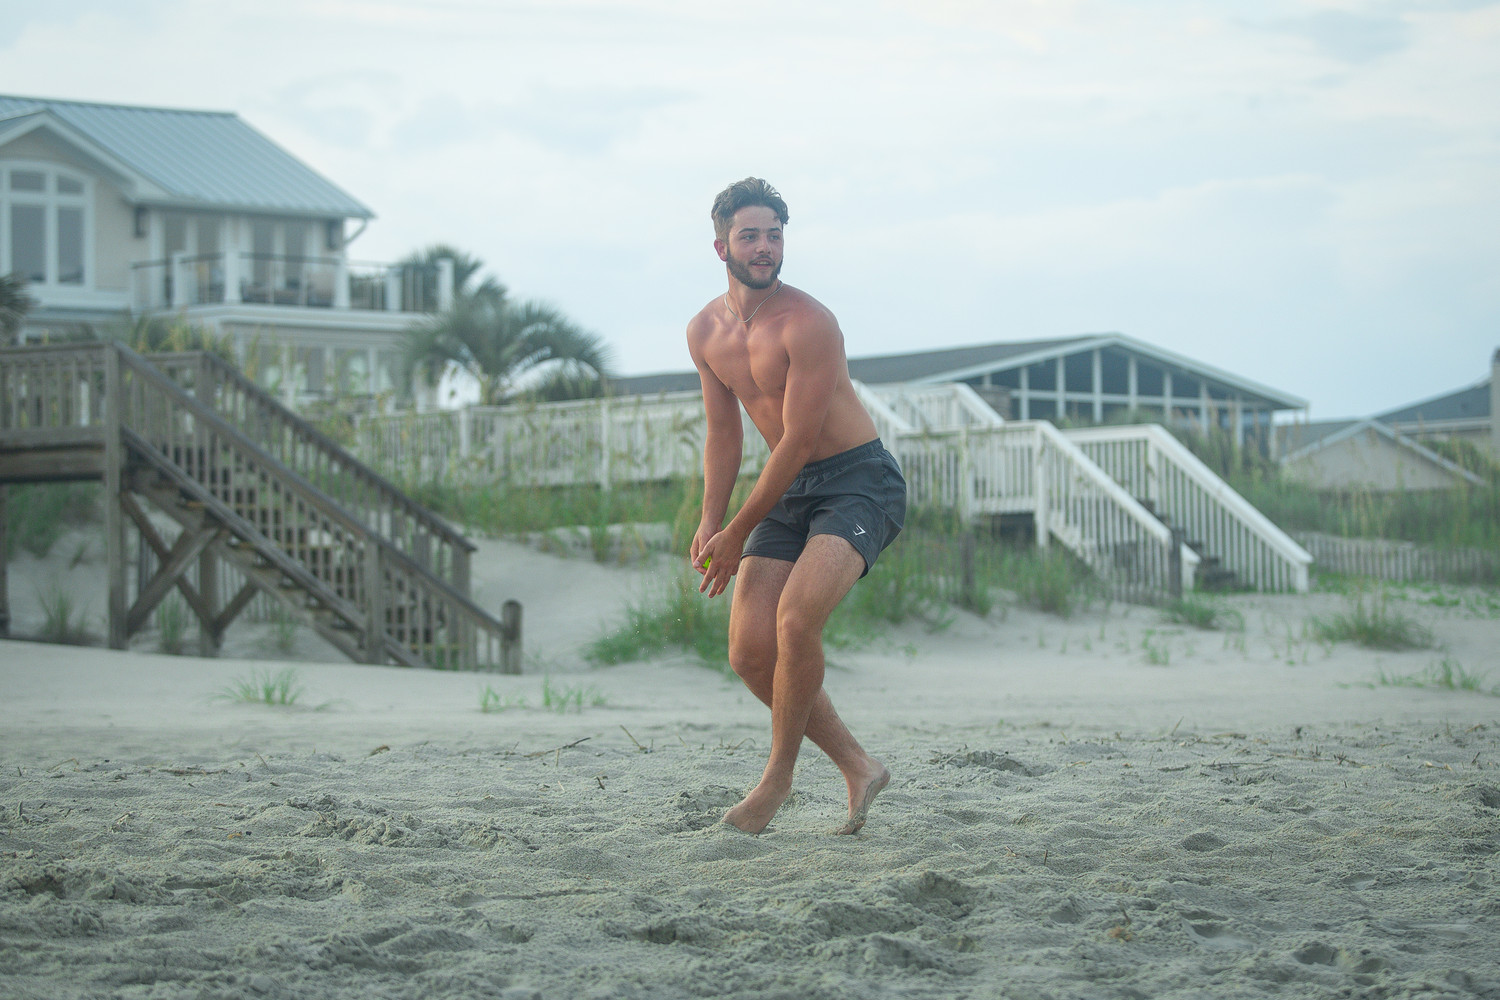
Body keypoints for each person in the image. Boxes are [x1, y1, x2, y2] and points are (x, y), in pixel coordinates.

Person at [687, 177, 907, 835]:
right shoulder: (705, 331)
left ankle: (777, 780)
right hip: (790, 488)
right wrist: (710, 520)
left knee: (794, 619)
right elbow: (724, 435)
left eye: (774, 235)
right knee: (750, 652)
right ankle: (859, 766)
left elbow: (801, 439)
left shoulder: (809, 323)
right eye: (749, 236)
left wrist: (739, 529)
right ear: (721, 246)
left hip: (857, 481)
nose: (764, 247)